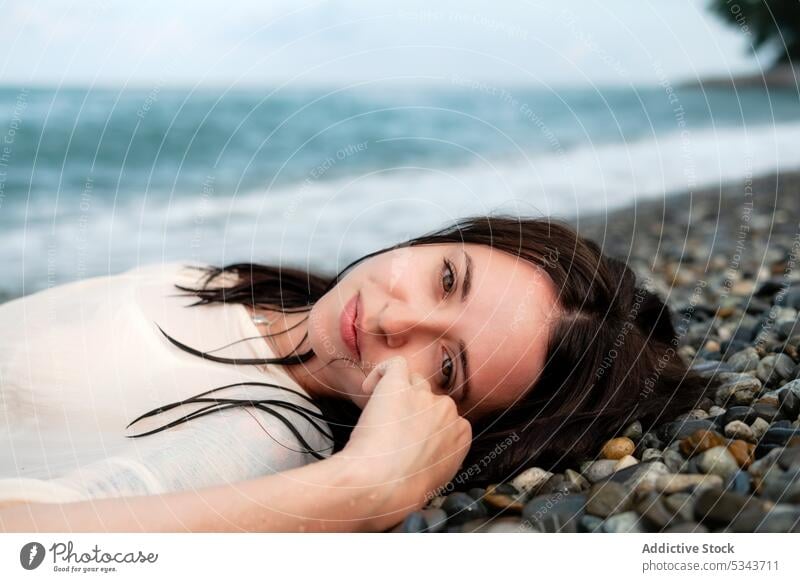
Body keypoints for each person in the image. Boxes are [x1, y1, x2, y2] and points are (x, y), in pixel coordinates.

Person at [0, 214, 709, 532]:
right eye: (447, 278)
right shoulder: (271, 294)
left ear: (439, 421)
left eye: (446, 363)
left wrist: (356, 490)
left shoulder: (259, 441)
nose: (397, 321)